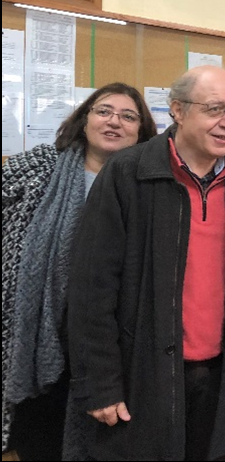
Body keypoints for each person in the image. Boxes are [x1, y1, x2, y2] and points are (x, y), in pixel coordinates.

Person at [66, 66, 225, 460]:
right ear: (178, 110)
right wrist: (100, 383)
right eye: (215, 109)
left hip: (223, 376)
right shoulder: (128, 174)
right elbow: (92, 287)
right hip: (143, 377)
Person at [2, 82, 156, 460]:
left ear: (142, 131)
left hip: (114, 344)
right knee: (42, 438)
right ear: (84, 120)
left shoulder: (152, 188)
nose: (114, 122)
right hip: (42, 332)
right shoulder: (39, 170)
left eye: (128, 116)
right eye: (103, 111)